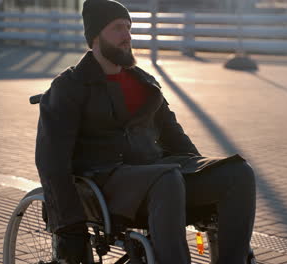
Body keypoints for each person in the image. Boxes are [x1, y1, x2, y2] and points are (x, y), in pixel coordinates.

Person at [35, 0, 256, 263]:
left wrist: (202, 174)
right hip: (104, 181)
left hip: (157, 174)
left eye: (128, 28)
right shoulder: (69, 87)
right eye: (117, 28)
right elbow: (52, 162)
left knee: (238, 173)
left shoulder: (143, 82)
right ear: (95, 35)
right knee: (167, 178)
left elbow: (175, 136)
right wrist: (68, 226)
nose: (127, 36)